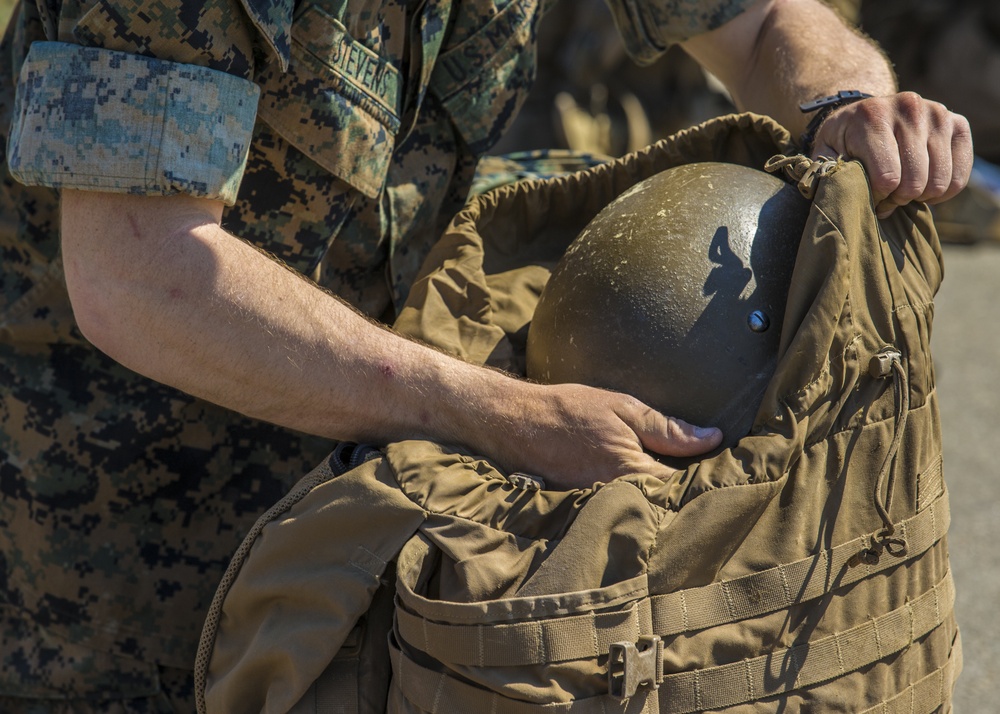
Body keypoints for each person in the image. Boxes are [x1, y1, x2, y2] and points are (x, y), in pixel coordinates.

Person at [0, 0, 973, 710]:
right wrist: (496, 416)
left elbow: (761, 22)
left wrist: (844, 104)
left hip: (370, 536)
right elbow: (141, 276)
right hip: (104, 568)